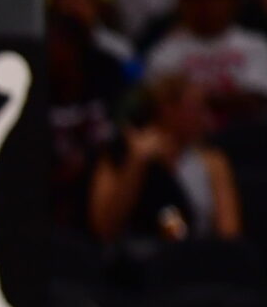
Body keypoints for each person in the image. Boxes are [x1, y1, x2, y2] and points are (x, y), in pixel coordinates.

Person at [90, 78, 243, 244]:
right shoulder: (120, 155)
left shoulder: (213, 161)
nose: (205, 118)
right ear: (168, 110)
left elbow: (230, 234)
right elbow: (105, 228)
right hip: (138, 260)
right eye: (197, 109)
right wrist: (136, 163)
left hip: (198, 258)